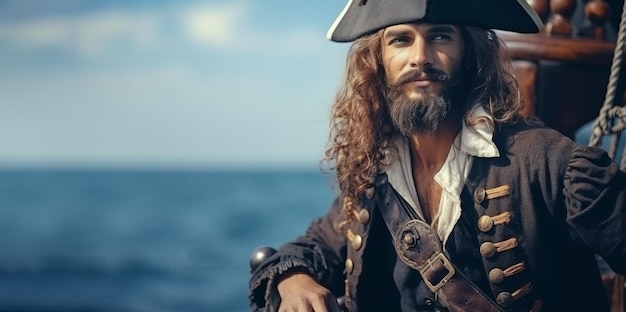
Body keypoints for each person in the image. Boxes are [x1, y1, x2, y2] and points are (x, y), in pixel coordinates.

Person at [249, 0, 626, 311]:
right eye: (400, 40)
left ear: (470, 54)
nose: (420, 57)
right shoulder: (376, 171)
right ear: (378, 62)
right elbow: (313, 247)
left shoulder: (545, 160)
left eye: (440, 37)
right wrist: (292, 279)